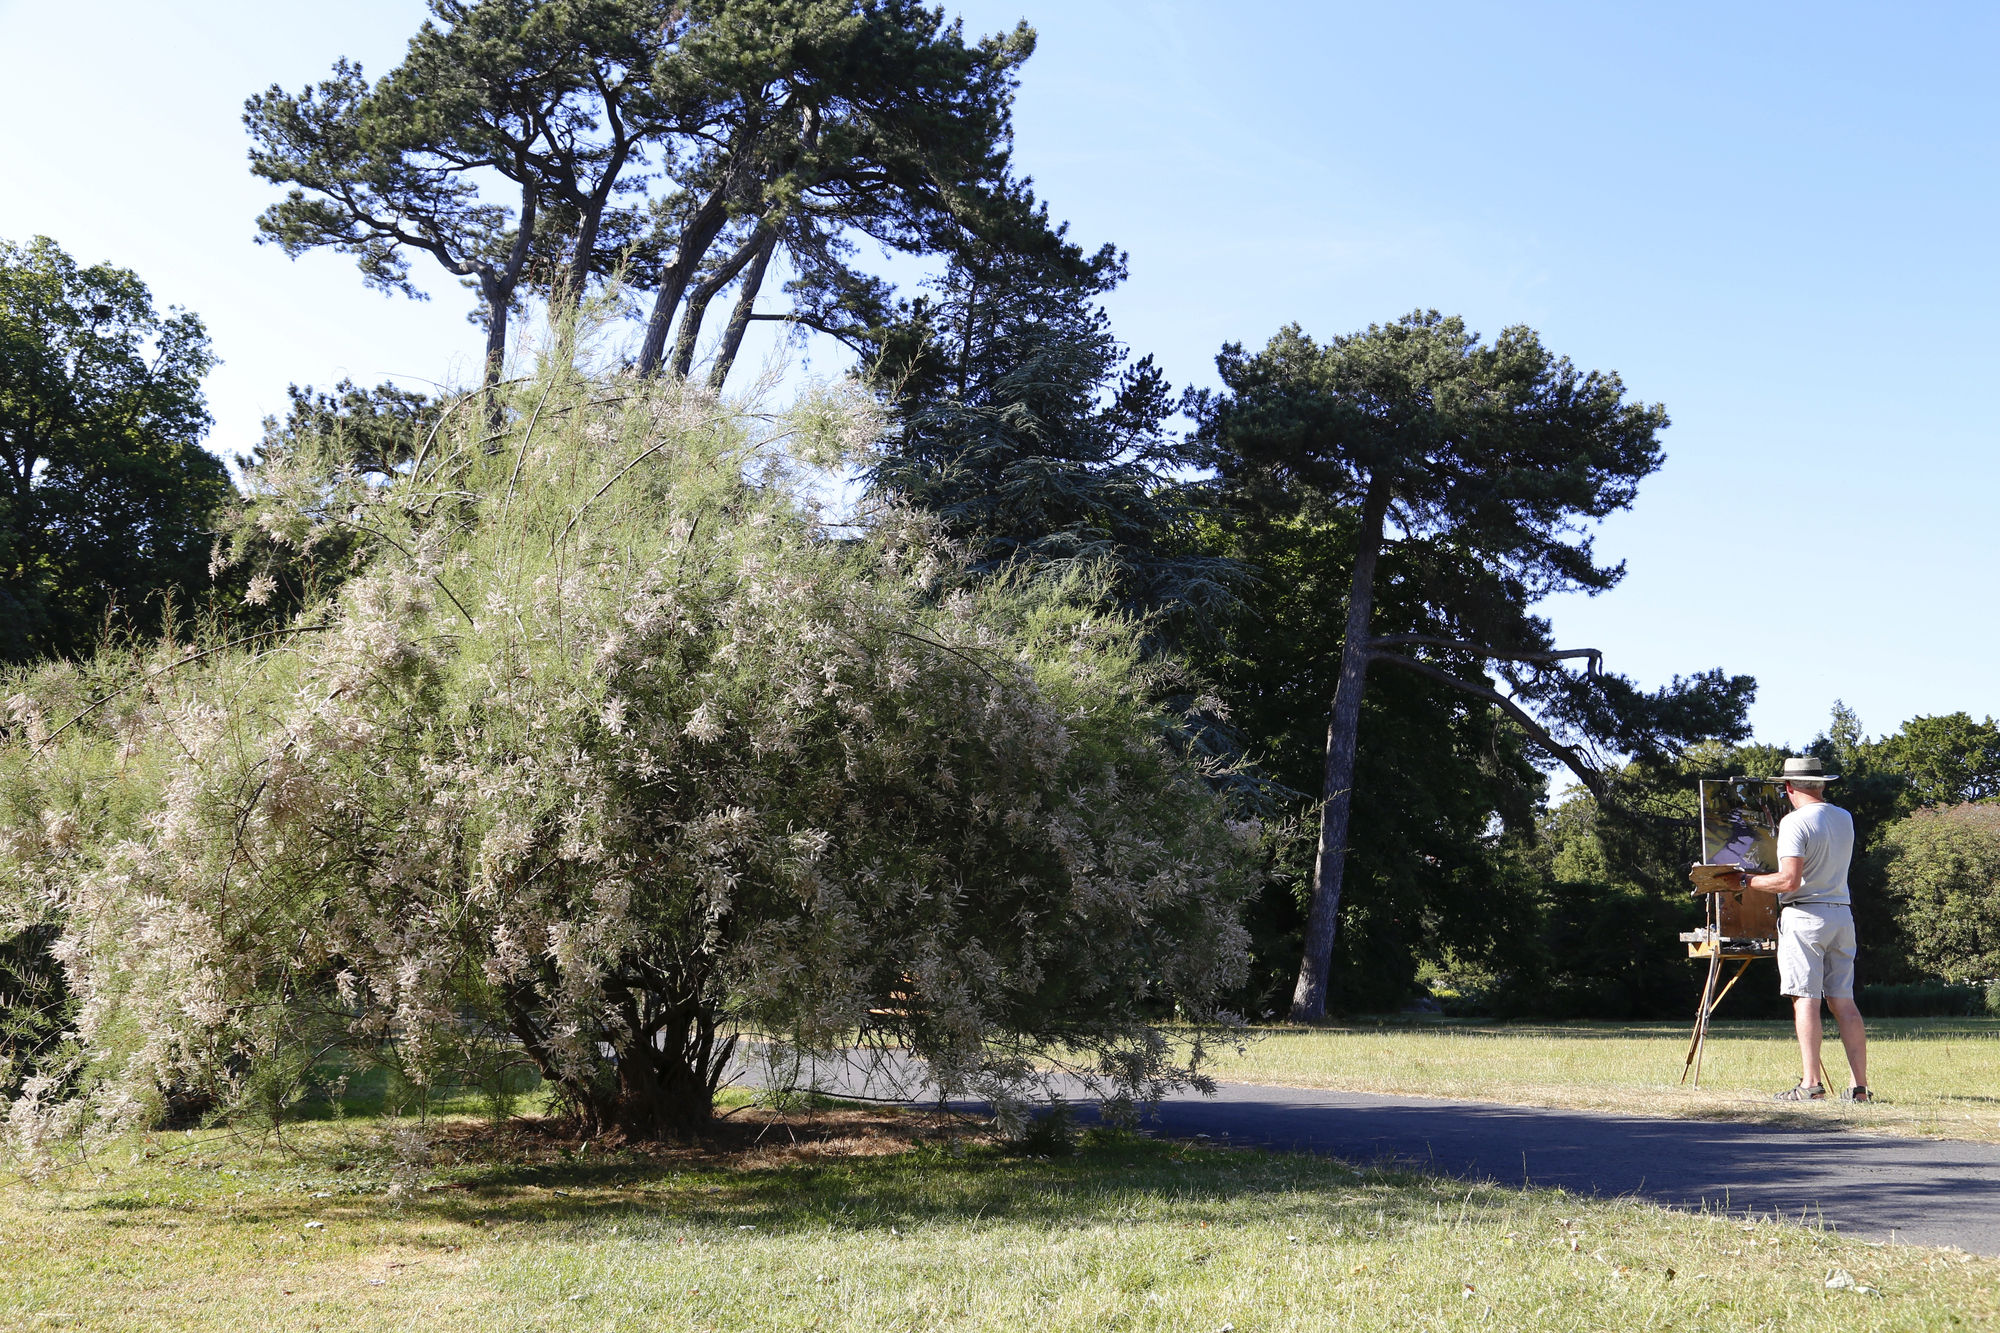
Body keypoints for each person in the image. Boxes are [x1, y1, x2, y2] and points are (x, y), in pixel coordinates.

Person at [1733, 756, 1870, 1103]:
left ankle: (1811, 1084)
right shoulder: (1844, 817)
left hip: (1805, 916)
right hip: (1841, 914)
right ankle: (1859, 1088)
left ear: (1789, 787)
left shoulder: (1794, 822)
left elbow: (1789, 881)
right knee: (1844, 1001)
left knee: (1805, 999)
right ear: (1821, 784)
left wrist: (1746, 880)